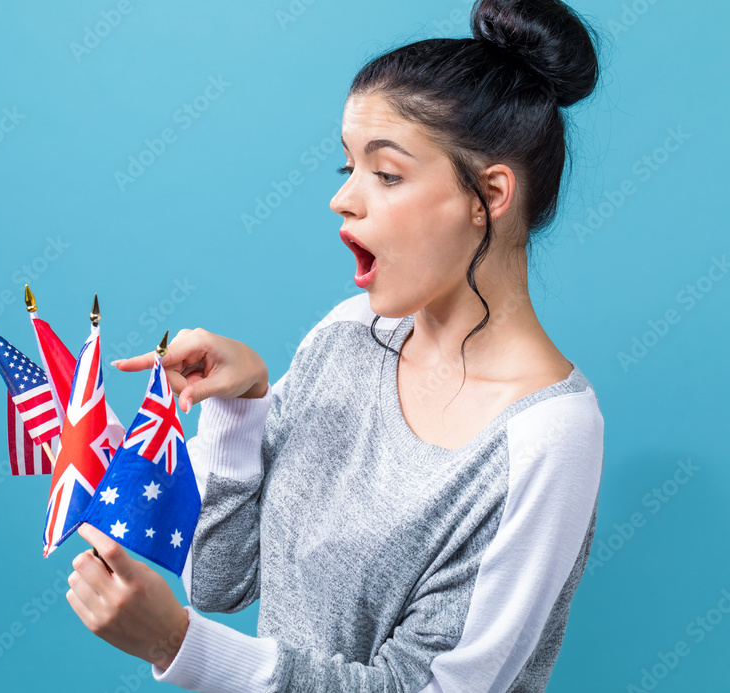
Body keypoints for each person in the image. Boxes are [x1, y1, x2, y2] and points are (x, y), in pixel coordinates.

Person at [64, 0, 607, 689]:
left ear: (489, 195)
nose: (342, 200)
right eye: (345, 167)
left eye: (385, 173)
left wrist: (179, 644)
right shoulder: (348, 336)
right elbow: (218, 579)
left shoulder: (547, 437)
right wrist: (241, 409)